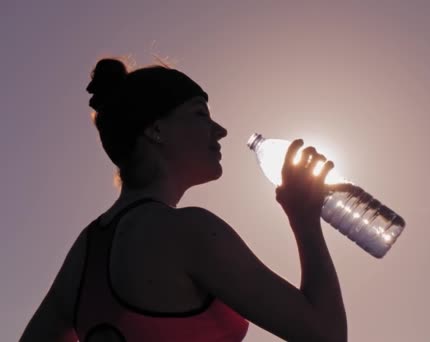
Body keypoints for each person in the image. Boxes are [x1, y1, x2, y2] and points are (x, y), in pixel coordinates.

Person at [19, 58, 348, 342]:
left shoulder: (85, 252)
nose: (220, 131)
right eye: (200, 114)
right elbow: (326, 335)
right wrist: (304, 220)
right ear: (156, 130)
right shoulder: (189, 232)